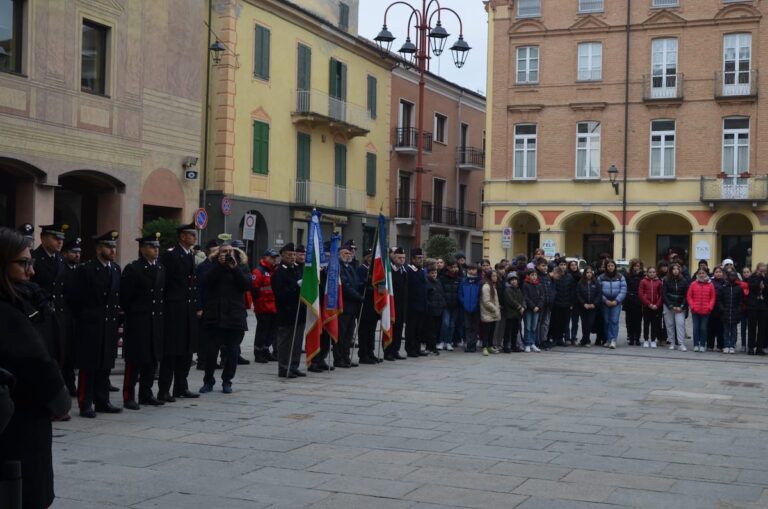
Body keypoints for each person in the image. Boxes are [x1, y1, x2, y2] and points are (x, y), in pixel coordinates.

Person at [0, 227, 70, 509]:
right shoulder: (8, 309)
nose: (30, 271)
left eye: (31, 262)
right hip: (19, 417)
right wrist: (59, 400)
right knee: (24, 489)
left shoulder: (24, 297)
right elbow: (36, 362)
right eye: (23, 263)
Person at [68, 230, 122, 418]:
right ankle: (86, 403)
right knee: (88, 366)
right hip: (90, 325)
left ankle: (103, 401)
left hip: (108, 325)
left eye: (114, 246)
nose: (113, 250)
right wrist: (85, 318)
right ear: (99, 249)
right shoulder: (87, 269)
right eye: (109, 246)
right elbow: (75, 299)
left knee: (105, 366)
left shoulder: (115, 269)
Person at [119, 232, 166, 410]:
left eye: (157, 247)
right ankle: (128, 396)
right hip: (139, 321)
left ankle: (146, 394)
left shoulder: (160, 268)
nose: (156, 250)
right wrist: (136, 314)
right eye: (152, 247)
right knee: (135, 361)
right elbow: (126, 297)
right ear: (142, 249)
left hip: (155, 321)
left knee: (152, 359)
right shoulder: (134, 269)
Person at [199, 241, 252, 393]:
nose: (227, 254)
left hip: (235, 315)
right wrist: (219, 266)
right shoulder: (211, 265)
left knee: (233, 351)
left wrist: (234, 269)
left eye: (230, 251)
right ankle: (208, 381)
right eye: (224, 251)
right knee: (211, 351)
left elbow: (247, 285)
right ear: (218, 253)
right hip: (215, 316)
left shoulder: (241, 266)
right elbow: (205, 282)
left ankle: (227, 381)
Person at [158, 223, 200, 402]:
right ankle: (164, 390)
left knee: (186, 351)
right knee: (172, 352)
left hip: (187, 308)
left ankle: (181, 386)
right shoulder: (171, 255)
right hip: (174, 308)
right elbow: (164, 283)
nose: (194, 238)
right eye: (191, 235)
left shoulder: (189, 255)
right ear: (182, 236)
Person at [272, 243, 306, 378]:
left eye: (293, 255)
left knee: (297, 342)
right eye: (289, 255)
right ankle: (284, 367)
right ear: (282, 256)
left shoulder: (296, 270)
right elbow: (281, 294)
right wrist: (297, 286)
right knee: (286, 342)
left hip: (299, 311)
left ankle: (294, 366)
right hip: (286, 312)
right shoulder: (278, 273)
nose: (292, 257)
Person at [59, 237, 81, 395]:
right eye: (74, 252)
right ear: (65, 253)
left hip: (77, 317)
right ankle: (64, 384)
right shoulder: (61, 269)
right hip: (63, 315)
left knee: (73, 352)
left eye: (79, 252)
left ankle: (71, 383)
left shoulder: (80, 269)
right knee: (63, 352)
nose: (77, 255)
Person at [251, 249, 278, 363]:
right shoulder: (258, 271)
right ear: (265, 257)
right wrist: (257, 304)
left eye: (275, 258)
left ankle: (266, 350)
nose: (274, 260)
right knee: (262, 331)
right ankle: (258, 353)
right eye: (271, 257)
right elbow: (254, 289)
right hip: (263, 307)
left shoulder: (273, 271)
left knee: (271, 331)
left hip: (273, 306)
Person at [337, 244, 363, 367]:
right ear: (339, 255)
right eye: (345, 253)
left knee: (349, 334)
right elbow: (345, 286)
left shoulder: (350, 267)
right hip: (344, 306)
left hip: (353, 307)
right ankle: (339, 358)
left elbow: (356, 283)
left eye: (349, 253)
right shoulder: (338, 267)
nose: (348, 256)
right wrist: (358, 297)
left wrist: (364, 284)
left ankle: (346, 357)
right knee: (341, 334)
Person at [357, 248, 380, 364]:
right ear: (366, 258)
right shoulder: (362, 269)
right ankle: (363, 354)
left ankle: (370, 352)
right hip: (365, 304)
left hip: (375, 304)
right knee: (364, 331)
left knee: (372, 331)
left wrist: (380, 291)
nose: (372, 259)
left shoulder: (376, 270)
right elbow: (360, 285)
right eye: (370, 257)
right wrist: (369, 287)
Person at [384, 247, 408, 361]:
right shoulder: (389, 271)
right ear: (394, 257)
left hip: (401, 305)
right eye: (399, 257)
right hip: (391, 304)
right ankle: (388, 351)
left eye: (403, 258)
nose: (402, 260)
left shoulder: (404, 271)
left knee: (399, 329)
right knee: (391, 328)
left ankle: (395, 350)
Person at [598, 260, 626, 349]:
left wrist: (616, 300)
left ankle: (613, 339)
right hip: (605, 302)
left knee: (614, 321)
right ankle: (608, 339)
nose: (610, 267)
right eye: (609, 266)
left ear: (615, 267)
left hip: (616, 302)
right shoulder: (601, 277)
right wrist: (605, 300)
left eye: (612, 265)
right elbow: (598, 291)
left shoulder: (620, 277)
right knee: (606, 321)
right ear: (606, 267)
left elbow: (623, 290)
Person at [405, 248, 428, 357]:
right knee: (411, 329)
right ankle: (410, 349)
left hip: (421, 305)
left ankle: (417, 348)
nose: (421, 260)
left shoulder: (421, 270)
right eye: (419, 258)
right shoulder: (408, 271)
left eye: (422, 258)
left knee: (419, 329)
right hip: (412, 306)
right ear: (413, 259)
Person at [687, 268, 716, 353]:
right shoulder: (693, 284)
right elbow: (689, 296)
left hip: (706, 311)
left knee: (703, 328)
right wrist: (692, 306)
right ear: (697, 274)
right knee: (696, 328)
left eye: (703, 273)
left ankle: (703, 344)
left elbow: (713, 297)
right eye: (700, 273)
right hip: (695, 310)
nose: (701, 275)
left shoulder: (710, 285)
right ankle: (696, 344)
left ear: (706, 274)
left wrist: (710, 307)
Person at [663, 263, 689, 352]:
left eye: (677, 269)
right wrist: (670, 306)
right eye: (673, 269)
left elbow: (686, 295)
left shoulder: (684, 281)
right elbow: (664, 294)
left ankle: (681, 343)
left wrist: (682, 306)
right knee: (670, 324)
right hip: (669, 306)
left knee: (680, 324)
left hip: (680, 306)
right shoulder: (666, 280)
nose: (675, 271)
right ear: (670, 270)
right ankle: (672, 342)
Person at [718, 270, 744, 354]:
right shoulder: (724, 287)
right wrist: (722, 308)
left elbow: (741, 301)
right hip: (725, 312)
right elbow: (719, 299)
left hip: (735, 312)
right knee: (725, 330)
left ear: (736, 277)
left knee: (734, 330)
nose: (732, 277)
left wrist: (739, 310)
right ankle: (726, 345)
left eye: (734, 276)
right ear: (728, 277)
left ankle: (732, 345)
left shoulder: (739, 288)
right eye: (731, 276)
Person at [438, 258, 461, 351]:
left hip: (455, 305)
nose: (454, 269)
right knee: (445, 323)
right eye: (453, 267)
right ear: (448, 267)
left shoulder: (459, 278)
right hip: (446, 305)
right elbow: (440, 291)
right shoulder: (443, 278)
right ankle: (442, 341)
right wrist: (443, 302)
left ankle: (448, 342)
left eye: (456, 267)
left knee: (452, 325)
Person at [551, 261, 575, 347]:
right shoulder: (555, 276)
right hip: (557, 303)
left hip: (567, 303)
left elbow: (572, 291)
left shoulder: (569, 277)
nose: (563, 266)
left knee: (564, 322)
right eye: (561, 264)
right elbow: (553, 289)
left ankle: (561, 339)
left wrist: (571, 303)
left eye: (564, 265)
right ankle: (555, 338)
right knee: (556, 322)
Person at [458, 263, 481, 352]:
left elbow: (480, 295)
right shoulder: (464, 281)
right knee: (467, 326)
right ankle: (468, 344)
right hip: (466, 308)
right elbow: (460, 294)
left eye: (473, 269)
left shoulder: (479, 281)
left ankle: (473, 344)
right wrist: (464, 303)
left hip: (476, 308)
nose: (472, 271)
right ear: (467, 270)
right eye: (470, 269)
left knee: (475, 326)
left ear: (476, 270)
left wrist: (477, 303)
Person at [576, 266, 600, 347]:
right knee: (584, 323)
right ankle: (585, 340)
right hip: (583, 307)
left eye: (590, 272)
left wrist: (594, 304)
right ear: (584, 273)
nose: (589, 274)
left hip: (593, 307)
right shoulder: (580, 282)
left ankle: (586, 339)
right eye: (587, 272)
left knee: (590, 323)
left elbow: (598, 294)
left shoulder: (595, 282)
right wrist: (584, 304)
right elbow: (578, 294)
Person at [639, 266, 663, 349]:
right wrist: (649, 304)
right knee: (646, 323)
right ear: (647, 273)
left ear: (656, 273)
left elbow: (661, 295)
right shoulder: (643, 281)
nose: (652, 274)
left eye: (653, 272)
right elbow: (641, 294)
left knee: (654, 324)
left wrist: (657, 305)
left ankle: (653, 340)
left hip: (656, 307)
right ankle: (646, 339)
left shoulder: (659, 282)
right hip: (646, 306)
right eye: (650, 272)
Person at [746, 263, 767, 356]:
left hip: (763, 306)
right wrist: (759, 278)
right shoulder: (752, 277)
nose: (763, 271)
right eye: (761, 270)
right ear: (757, 269)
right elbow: (752, 287)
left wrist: (764, 278)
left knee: (762, 328)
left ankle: (759, 348)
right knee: (752, 327)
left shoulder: (766, 277)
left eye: (764, 270)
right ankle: (751, 347)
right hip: (753, 305)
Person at [479, 270, 501, 356]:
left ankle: (490, 346)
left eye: (496, 276)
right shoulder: (486, 286)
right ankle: (484, 347)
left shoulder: (492, 286)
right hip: (488, 312)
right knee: (486, 331)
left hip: (493, 313)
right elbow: (486, 301)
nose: (495, 277)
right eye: (493, 276)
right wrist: (495, 308)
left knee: (492, 331)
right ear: (489, 277)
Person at [425, 263, 445, 355]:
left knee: (437, 329)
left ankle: (431, 346)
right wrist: (430, 306)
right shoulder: (427, 282)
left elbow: (441, 294)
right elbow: (426, 297)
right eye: (432, 273)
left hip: (439, 310)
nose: (434, 274)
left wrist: (442, 304)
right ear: (428, 273)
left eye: (435, 273)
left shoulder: (438, 282)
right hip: (430, 311)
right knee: (431, 330)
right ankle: (432, 347)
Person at [502, 273, 524, 353]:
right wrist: (519, 307)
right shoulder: (508, 290)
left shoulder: (518, 289)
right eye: (512, 280)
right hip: (510, 313)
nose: (514, 281)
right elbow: (511, 300)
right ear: (509, 281)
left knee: (515, 331)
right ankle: (506, 346)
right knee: (508, 331)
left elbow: (522, 299)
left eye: (515, 280)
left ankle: (514, 346)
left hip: (517, 314)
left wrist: (523, 307)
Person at [522, 270, 544, 352]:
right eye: (532, 275)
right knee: (527, 327)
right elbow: (526, 297)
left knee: (534, 327)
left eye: (535, 275)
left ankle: (532, 343)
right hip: (528, 309)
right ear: (528, 276)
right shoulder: (525, 285)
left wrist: (538, 306)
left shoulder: (539, 285)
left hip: (537, 309)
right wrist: (533, 306)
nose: (534, 277)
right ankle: (527, 344)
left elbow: (542, 297)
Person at [624, 259, 645, 346]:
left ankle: (637, 338)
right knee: (629, 320)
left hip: (638, 300)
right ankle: (631, 337)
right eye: (635, 266)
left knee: (638, 320)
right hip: (629, 299)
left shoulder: (643, 276)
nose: (636, 267)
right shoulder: (627, 275)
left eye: (638, 266)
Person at [708, 266, 726, 352]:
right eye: (716, 272)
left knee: (721, 328)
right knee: (711, 328)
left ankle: (720, 345)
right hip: (712, 308)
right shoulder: (710, 282)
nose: (718, 274)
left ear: (722, 273)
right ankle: (710, 345)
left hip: (721, 308)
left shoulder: (725, 283)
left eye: (720, 272)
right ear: (713, 273)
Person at [566, 260, 582, 342]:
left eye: (575, 265)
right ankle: (567, 337)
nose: (574, 266)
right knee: (567, 321)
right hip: (568, 301)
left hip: (577, 302)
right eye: (572, 265)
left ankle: (573, 337)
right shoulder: (567, 276)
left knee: (575, 321)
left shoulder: (580, 276)